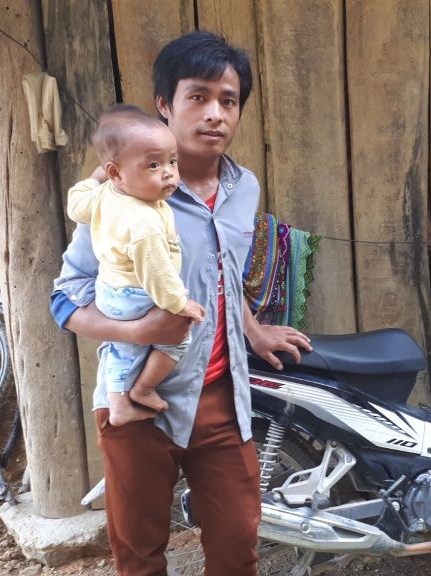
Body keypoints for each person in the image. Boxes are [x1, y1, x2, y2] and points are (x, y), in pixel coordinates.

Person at [49, 31, 311, 576]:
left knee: (238, 547)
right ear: (164, 105)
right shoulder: (116, 199)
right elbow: (65, 300)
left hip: (223, 398)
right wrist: (139, 332)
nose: (215, 113)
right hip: (139, 404)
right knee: (140, 553)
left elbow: (221, 273)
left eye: (228, 101)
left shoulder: (243, 188)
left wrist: (253, 329)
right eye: (198, 97)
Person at [67, 105, 206, 427]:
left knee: (123, 347)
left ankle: (120, 401)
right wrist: (179, 304)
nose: (168, 172)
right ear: (117, 173)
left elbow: (76, 206)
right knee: (176, 340)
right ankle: (141, 390)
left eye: (172, 161)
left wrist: (95, 178)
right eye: (154, 165)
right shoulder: (145, 222)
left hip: (110, 289)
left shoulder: (105, 194)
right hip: (135, 295)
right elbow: (156, 273)